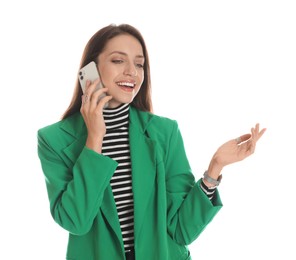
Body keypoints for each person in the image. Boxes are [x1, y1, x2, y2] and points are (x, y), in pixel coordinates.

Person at [37, 23, 266, 260]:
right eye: (118, 60)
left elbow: (181, 229)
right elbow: (76, 220)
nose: (132, 72)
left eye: (139, 64)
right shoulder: (54, 139)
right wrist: (95, 137)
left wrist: (214, 169)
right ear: (90, 69)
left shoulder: (164, 132)